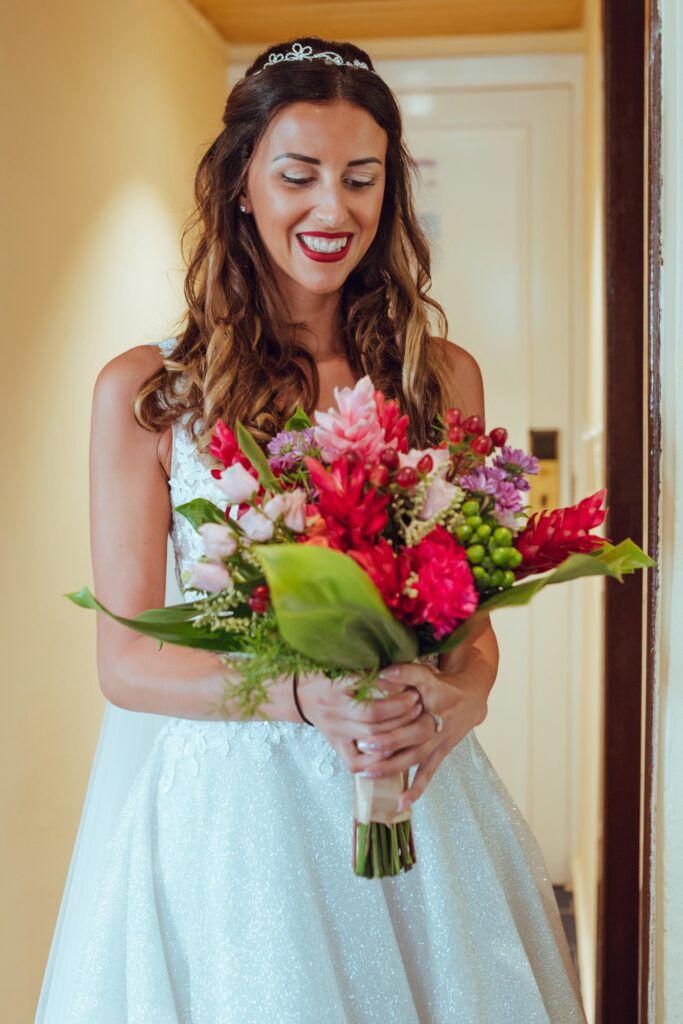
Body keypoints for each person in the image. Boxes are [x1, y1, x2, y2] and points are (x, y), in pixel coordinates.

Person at [36, 36, 587, 1024]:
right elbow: (126, 661)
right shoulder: (149, 393)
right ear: (241, 185)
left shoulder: (439, 377)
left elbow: (470, 635)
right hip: (234, 831)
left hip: (414, 797)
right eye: (297, 175)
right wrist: (300, 696)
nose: (332, 211)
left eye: (360, 179)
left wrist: (456, 699)